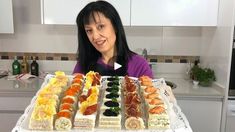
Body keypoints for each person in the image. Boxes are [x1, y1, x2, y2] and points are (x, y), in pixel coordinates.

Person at [73, 0, 154, 78]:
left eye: (100, 26)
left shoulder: (139, 65)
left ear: (115, 26)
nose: (95, 36)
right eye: (89, 30)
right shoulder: (83, 64)